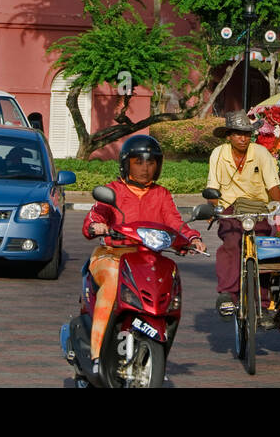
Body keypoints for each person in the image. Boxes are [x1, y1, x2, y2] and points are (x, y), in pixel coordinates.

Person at [83, 135, 206, 370]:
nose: (145, 168)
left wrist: (192, 238)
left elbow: (174, 221)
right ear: (126, 164)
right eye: (138, 162)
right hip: (112, 255)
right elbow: (96, 215)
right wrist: (96, 224)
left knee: (170, 287)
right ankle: (97, 357)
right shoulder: (113, 191)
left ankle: (155, 353)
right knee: (111, 284)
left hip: (147, 259)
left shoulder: (161, 194)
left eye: (151, 163)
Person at [206, 111, 280, 315]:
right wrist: (215, 208)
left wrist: (279, 208)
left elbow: (273, 187)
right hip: (230, 207)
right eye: (238, 134)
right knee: (231, 243)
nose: (243, 138)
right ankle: (227, 294)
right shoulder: (218, 154)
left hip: (258, 207)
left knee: (264, 250)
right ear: (229, 136)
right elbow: (212, 188)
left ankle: (264, 302)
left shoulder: (261, 153)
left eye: (247, 134)